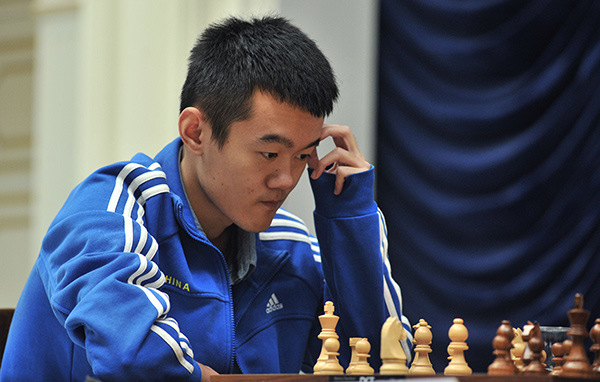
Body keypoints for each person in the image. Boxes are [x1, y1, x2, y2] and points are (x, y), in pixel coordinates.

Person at [1, 16, 411, 381]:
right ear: (196, 132)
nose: (287, 180)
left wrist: (350, 216)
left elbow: (381, 361)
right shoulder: (112, 208)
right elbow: (129, 352)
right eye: (269, 153)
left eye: (303, 156)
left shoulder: (289, 243)